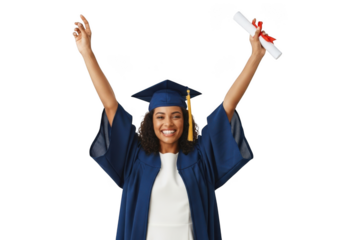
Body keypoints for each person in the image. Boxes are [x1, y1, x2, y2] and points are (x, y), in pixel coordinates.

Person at [73, 13, 267, 240]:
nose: (168, 123)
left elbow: (228, 105)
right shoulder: (133, 159)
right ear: (149, 123)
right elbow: (110, 105)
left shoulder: (202, 159)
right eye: (160, 117)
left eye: (176, 116)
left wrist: (255, 55)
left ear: (185, 121)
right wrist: (86, 52)